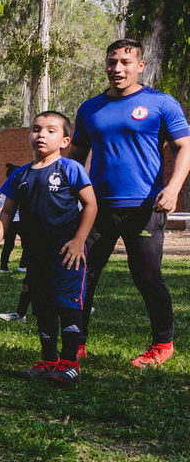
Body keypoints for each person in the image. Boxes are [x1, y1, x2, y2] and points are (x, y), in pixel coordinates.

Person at [68, 38, 190, 367]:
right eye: (111, 62)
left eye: (125, 62)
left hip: (145, 207)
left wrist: (174, 186)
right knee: (83, 275)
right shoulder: (90, 108)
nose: (117, 68)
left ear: (140, 66)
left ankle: (163, 344)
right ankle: (75, 344)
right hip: (98, 208)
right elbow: (75, 156)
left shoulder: (160, 103)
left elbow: (185, 146)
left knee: (147, 276)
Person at [0, 111, 96, 384]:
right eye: (36, 129)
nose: (41, 135)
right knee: (43, 306)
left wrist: (79, 240)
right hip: (36, 256)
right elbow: (7, 213)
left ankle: (70, 365)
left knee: (68, 305)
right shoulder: (20, 175)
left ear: (65, 140)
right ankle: (49, 361)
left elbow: (91, 205)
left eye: (50, 130)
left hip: (67, 254)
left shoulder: (70, 169)